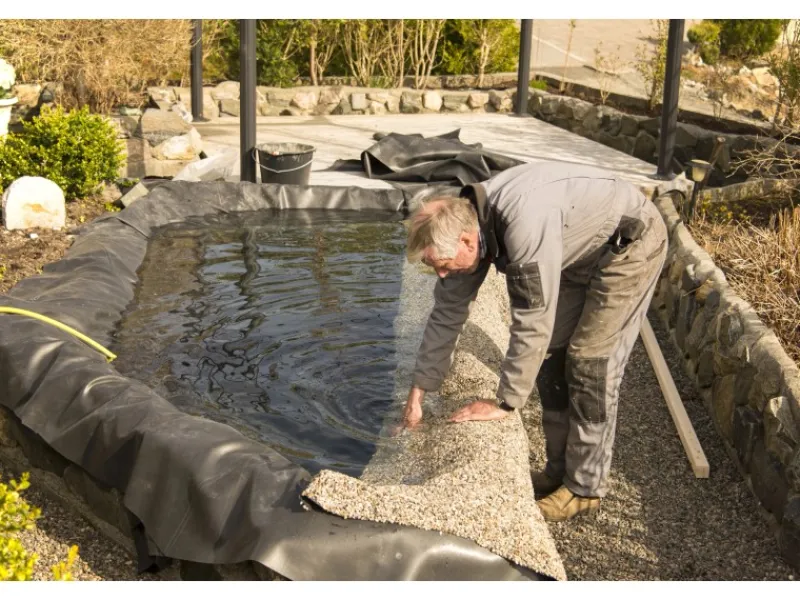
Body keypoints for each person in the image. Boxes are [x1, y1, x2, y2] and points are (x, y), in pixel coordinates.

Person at [402, 160, 668, 522]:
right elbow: (446, 314)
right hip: (576, 253)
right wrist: (418, 394)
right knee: (551, 359)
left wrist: (506, 403)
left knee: (589, 362)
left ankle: (584, 488)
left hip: (628, 246)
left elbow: (532, 321)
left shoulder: (520, 225)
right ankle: (558, 472)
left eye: (443, 264)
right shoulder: (471, 228)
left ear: (466, 241)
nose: (442, 273)